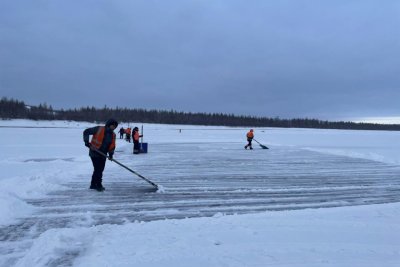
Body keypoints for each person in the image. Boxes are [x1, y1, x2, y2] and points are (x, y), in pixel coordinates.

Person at [83, 119, 118, 191]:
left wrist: (111, 154)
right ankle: (98, 184)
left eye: (115, 126)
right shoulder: (99, 129)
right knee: (98, 169)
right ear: (109, 124)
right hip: (94, 152)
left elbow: (112, 146)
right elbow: (86, 132)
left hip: (103, 154)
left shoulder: (113, 135)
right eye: (113, 125)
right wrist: (86, 141)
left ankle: (93, 184)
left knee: (100, 169)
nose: (113, 127)